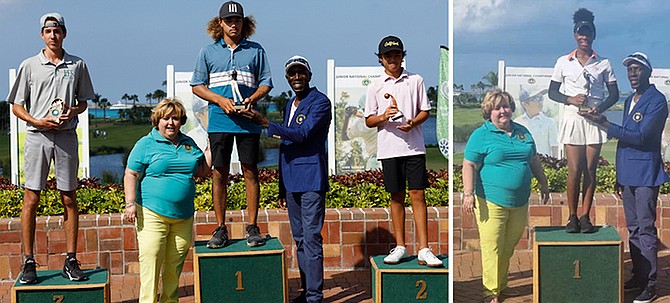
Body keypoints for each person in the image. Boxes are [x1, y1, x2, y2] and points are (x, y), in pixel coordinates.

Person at [7, 12, 95, 283]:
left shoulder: (77, 64)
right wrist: (36, 119)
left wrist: (73, 111)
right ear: (42, 35)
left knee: (69, 197)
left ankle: (70, 259)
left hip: (67, 136)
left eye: (57, 31)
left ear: (64, 33)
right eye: (48, 31)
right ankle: (29, 261)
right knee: (31, 199)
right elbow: (17, 105)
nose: (53, 35)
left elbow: (84, 102)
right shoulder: (29, 65)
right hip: (37, 136)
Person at [240, 55, 331, 303]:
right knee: (300, 239)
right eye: (292, 73)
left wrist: (266, 123)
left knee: (311, 238)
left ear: (310, 75)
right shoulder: (290, 103)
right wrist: (282, 188)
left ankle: (314, 296)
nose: (297, 77)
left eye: (301, 72)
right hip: (292, 182)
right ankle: (306, 291)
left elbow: (301, 134)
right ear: (287, 78)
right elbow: (285, 149)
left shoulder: (320, 102)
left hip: (312, 179)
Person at [581, 52, 667, 303]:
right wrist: (620, 176)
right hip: (628, 174)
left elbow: (640, 137)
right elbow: (625, 143)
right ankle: (639, 276)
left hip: (645, 176)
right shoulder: (630, 100)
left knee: (645, 229)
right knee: (633, 229)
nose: (632, 74)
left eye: (637, 69)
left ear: (648, 72)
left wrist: (606, 124)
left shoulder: (657, 101)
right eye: (629, 70)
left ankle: (651, 284)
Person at [191, 1, 273, 248]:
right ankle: (220, 227)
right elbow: (197, 85)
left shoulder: (256, 50)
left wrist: (253, 99)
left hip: (248, 121)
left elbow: (267, 82)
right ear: (220, 24)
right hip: (219, 120)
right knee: (219, 172)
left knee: (250, 171)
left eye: (237, 20)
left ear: (244, 23)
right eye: (228, 20)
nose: (233, 24)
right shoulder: (207, 52)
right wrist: (219, 100)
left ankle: (252, 227)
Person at [462, 89, 550, 303]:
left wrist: (544, 182)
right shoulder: (481, 135)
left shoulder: (523, 132)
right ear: (489, 111)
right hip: (491, 201)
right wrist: (468, 194)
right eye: (497, 108)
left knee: (508, 246)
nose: (503, 111)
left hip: (519, 202)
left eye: (506, 106)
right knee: (492, 247)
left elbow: (533, 159)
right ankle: (490, 291)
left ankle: (501, 284)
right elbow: (469, 164)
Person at [364, 36, 442, 268]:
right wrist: (383, 117)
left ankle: (424, 249)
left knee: (418, 194)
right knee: (396, 196)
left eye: (397, 55)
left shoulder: (415, 80)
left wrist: (413, 123)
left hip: (414, 147)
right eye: (388, 56)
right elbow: (369, 120)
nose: (393, 59)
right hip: (389, 149)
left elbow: (425, 111)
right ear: (381, 59)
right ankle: (400, 246)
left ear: (402, 56)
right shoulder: (375, 86)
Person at [124, 98, 211, 303]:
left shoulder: (188, 143)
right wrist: (130, 203)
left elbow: (202, 171)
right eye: (166, 118)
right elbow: (131, 174)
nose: (171, 123)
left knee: (175, 266)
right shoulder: (146, 144)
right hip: (152, 213)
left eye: (175, 118)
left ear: (181, 121)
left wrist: (211, 148)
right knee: (151, 264)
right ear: (157, 120)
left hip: (183, 216)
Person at [547, 8, 619, 233]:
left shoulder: (604, 63)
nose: (584, 37)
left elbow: (614, 95)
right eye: (580, 33)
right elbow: (552, 92)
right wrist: (570, 99)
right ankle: (572, 216)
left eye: (588, 33)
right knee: (575, 169)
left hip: (594, 120)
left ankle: (586, 216)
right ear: (575, 35)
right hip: (573, 118)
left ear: (593, 35)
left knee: (590, 169)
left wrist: (599, 109)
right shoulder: (563, 62)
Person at [513, 88, 559, 157]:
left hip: (544, 164)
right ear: (525, 104)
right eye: (536, 99)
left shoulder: (550, 123)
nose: (540, 102)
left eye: (541, 98)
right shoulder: (517, 122)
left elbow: (555, 148)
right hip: (524, 164)